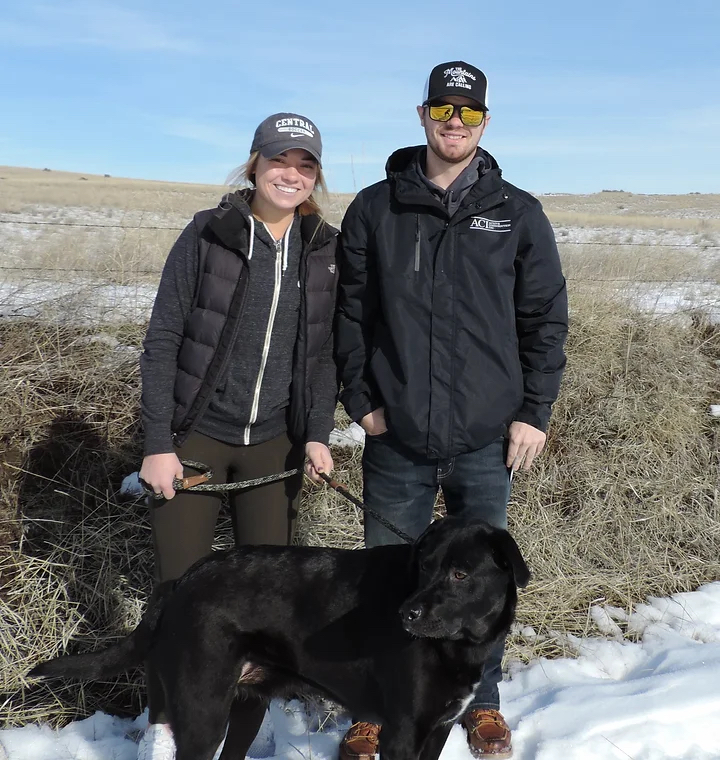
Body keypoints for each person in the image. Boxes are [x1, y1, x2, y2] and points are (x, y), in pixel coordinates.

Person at [335, 61, 568, 759]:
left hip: (486, 439)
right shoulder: (377, 208)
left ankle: (483, 705)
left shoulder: (516, 212)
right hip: (398, 435)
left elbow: (544, 320)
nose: (455, 122)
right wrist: (362, 400)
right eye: (444, 108)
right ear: (422, 114)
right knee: (383, 576)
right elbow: (350, 315)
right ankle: (373, 707)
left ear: (485, 122)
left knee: (483, 588)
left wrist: (534, 412)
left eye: (469, 112)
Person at [136, 112, 339, 760]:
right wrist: (158, 441)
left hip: (272, 447)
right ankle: (168, 732)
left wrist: (313, 434)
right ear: (254, 163)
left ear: (315, 176)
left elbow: (321, 355)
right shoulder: (209, 234)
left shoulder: (322, 249)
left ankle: (242, 741)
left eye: (304, 164)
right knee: (182, 597)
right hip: (197, 441)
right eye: (280, 159)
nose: (291, 173)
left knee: (266, 606)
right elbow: (165, 337)